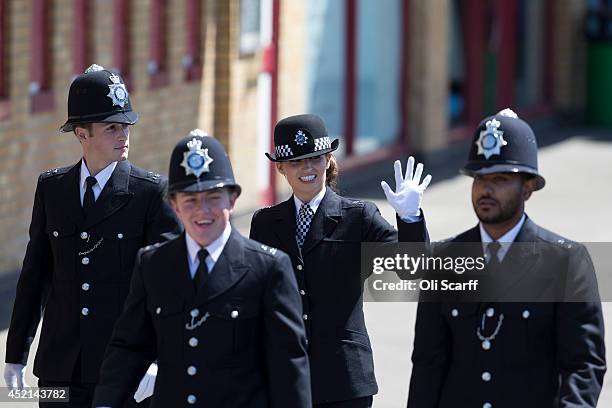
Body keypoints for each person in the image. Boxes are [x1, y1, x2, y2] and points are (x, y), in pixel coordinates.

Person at [92, 130, 311, 407]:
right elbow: (129, 348)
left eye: (213, 197)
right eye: (190, 200)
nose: (202, 211)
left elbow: (288, 367)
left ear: (232, 199)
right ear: (174, 205)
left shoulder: (268, 269)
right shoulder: (153, 264)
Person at [3, 64, 180, 407]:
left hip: (127, 371)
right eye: (112, 127)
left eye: (126, 125)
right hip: (60, 371)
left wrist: (159, 356)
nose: (123, 135)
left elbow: (168, 283)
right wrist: (15, 356)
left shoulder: (150, 193)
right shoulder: (52, 188)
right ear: (82, 134)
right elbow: (34, 277)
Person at [405, 109, 606, 407]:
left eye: (500, 179)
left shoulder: (566, 262)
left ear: (527, 189)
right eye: (479, 178)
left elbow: (583, 366)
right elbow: (428, 363)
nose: (486, 189)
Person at [249, 114, 431, 407]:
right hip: (284, 378)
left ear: (329, 160)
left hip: (343, 381)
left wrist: (410, 218)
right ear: (281, 168)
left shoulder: (358, 216)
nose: (307, 168)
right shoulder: (266, 223)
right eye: (296, 162)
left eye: (315, 159)